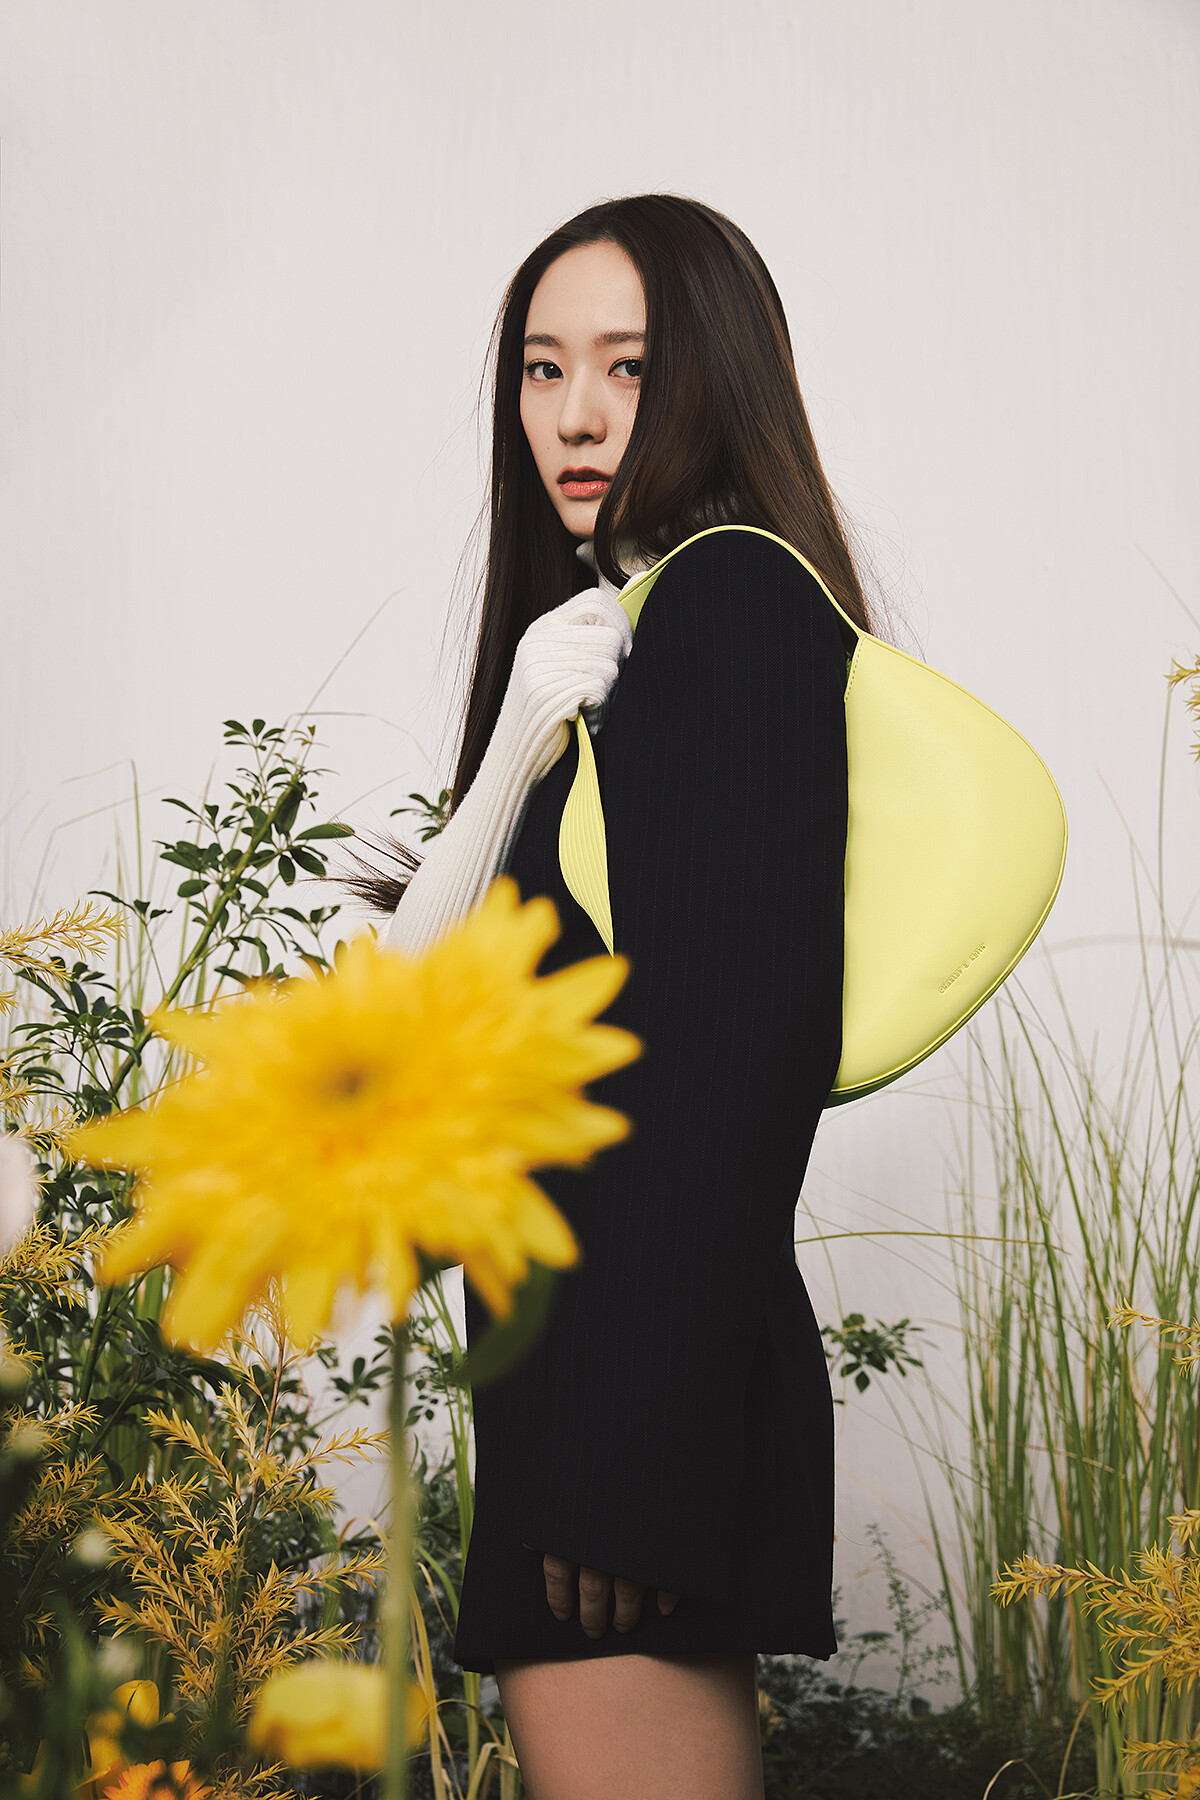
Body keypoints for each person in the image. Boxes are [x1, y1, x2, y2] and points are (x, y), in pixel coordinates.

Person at [352, 194, 882, 1800]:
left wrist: (628, 1473)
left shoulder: (733, 604)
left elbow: (741, 1052)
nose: (575, 415)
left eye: (629, 366)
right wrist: (517, 734)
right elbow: (400, 1032)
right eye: (542, 367)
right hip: (578, 1381)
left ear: (715, 375)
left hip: (625, 1414)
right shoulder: (599, 645)